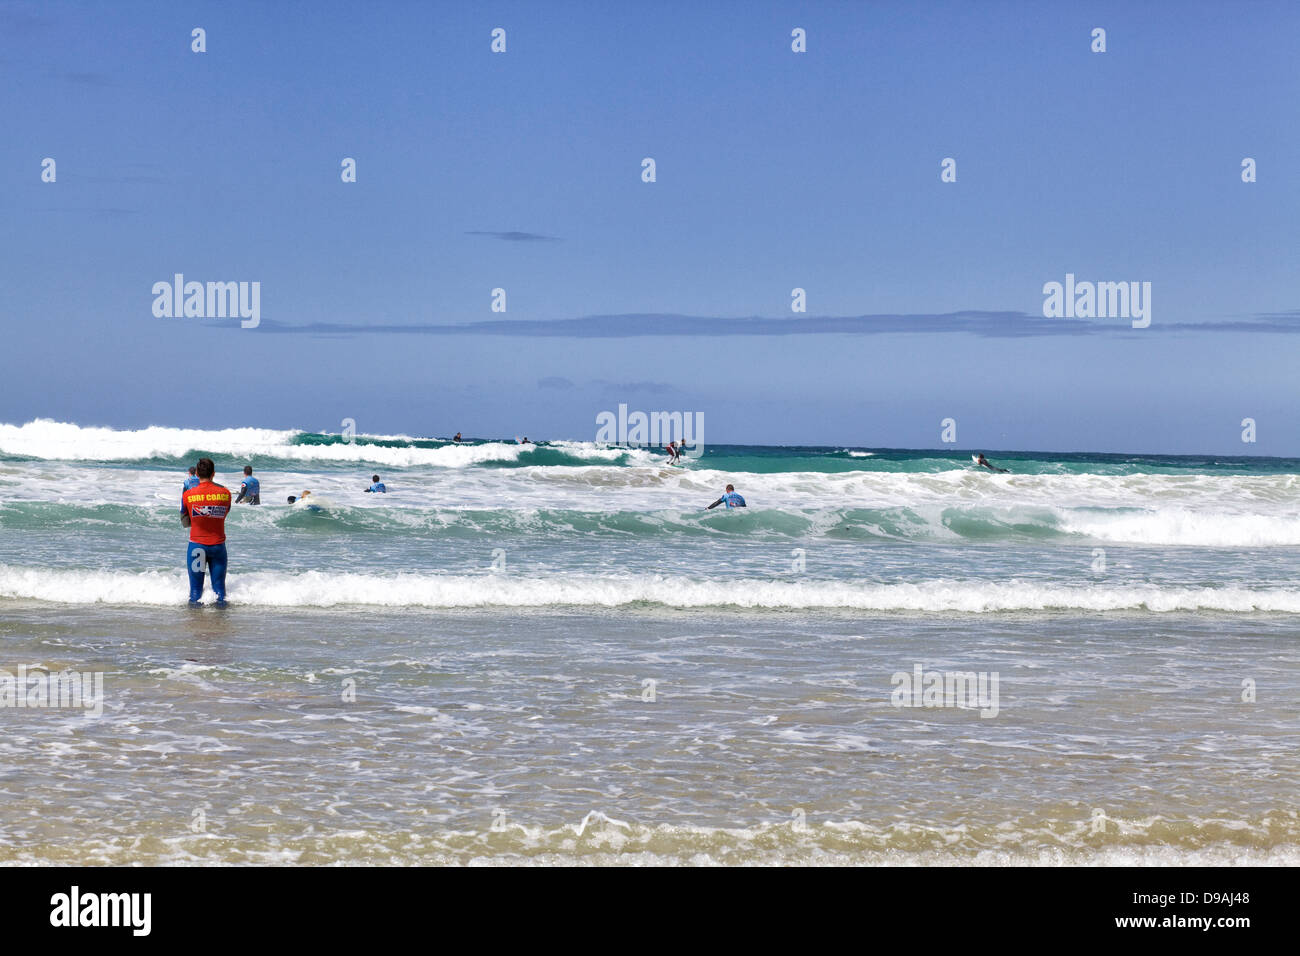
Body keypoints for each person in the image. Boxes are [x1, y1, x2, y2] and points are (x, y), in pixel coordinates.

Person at [180, 458, 231, 605]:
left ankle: (195, 624)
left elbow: (184, 520)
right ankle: (221, 623)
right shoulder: (225, 493)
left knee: (195, 592)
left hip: (196, 546)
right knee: (220, 591)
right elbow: (224, 514)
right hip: (218, 546)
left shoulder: (188, 495)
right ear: (213, 474)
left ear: (196, 473)